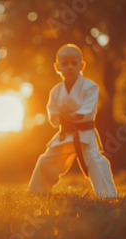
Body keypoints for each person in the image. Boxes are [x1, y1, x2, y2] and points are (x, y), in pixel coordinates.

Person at [27, 44, 118, 198]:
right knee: (46, 160)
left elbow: (87, 110)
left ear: (81, 66)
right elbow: (54, 114)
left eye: (74, 63)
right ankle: (38, 191)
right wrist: (61, 116)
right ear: (57, 67)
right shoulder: (56, 91)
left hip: (85, 133)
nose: (69, 66)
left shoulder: (90, 87)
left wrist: (69, 114)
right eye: (65, 63)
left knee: (96, 161)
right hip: (65, 134)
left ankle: (108, 195)